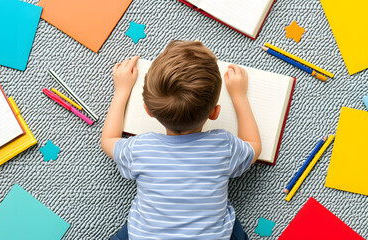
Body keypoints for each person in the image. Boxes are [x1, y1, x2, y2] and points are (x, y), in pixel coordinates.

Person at [101, 40, 261, 240]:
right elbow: (254, 146)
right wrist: (239, 96)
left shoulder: (140, 149)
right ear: (214, 112)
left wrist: (122, 90)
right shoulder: (224, 146)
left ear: (148, 111)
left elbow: (108, 140)